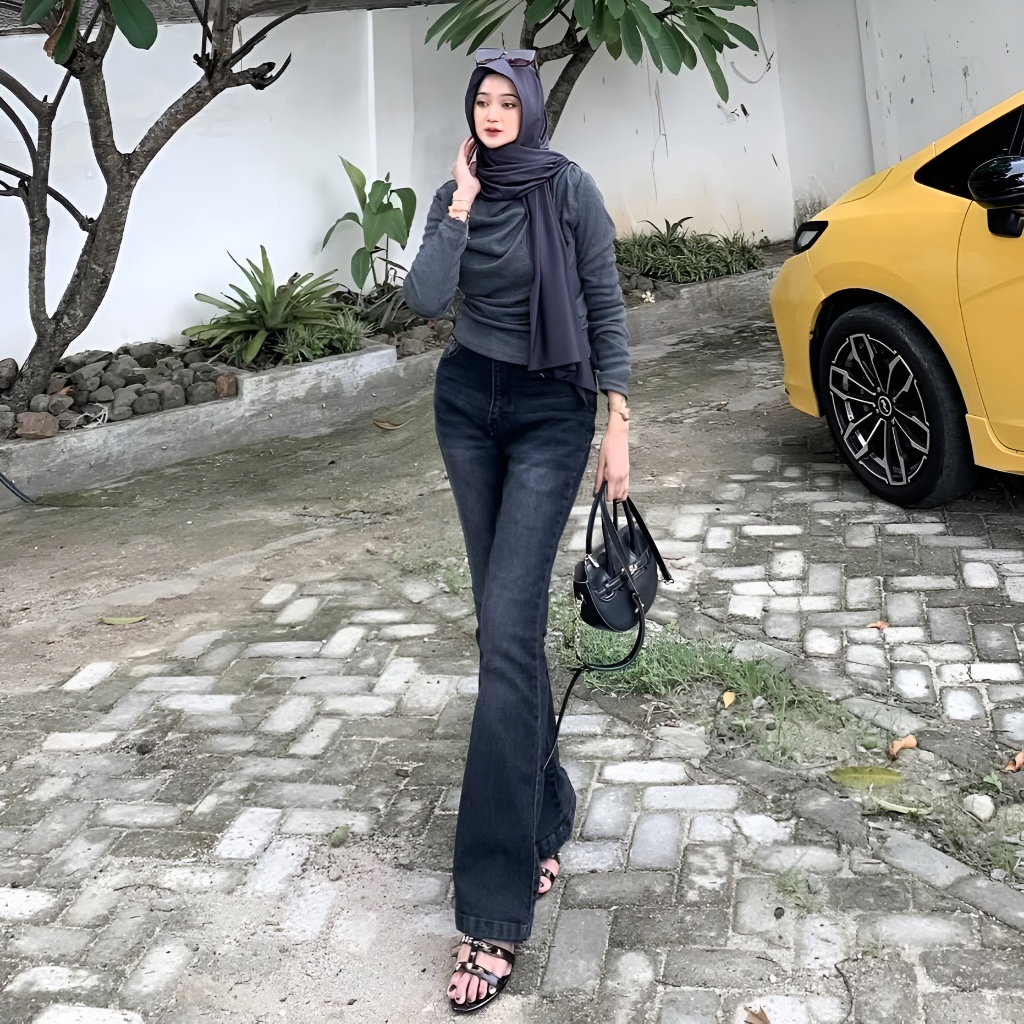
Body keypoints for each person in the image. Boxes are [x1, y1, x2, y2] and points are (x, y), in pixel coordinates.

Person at [403, 48, 630, 1013]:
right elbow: (423, 299)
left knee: (505, 635)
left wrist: (619, 425)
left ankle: (491, 913)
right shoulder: (455, 193)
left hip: (550, 412)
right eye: (481, 102)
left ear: (530, 109)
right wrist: (458, 204)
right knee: (505, 631)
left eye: (508, 101)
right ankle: (542, 813)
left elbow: (603, 301)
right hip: (467, 405)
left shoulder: (569, 189)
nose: (494, 115)